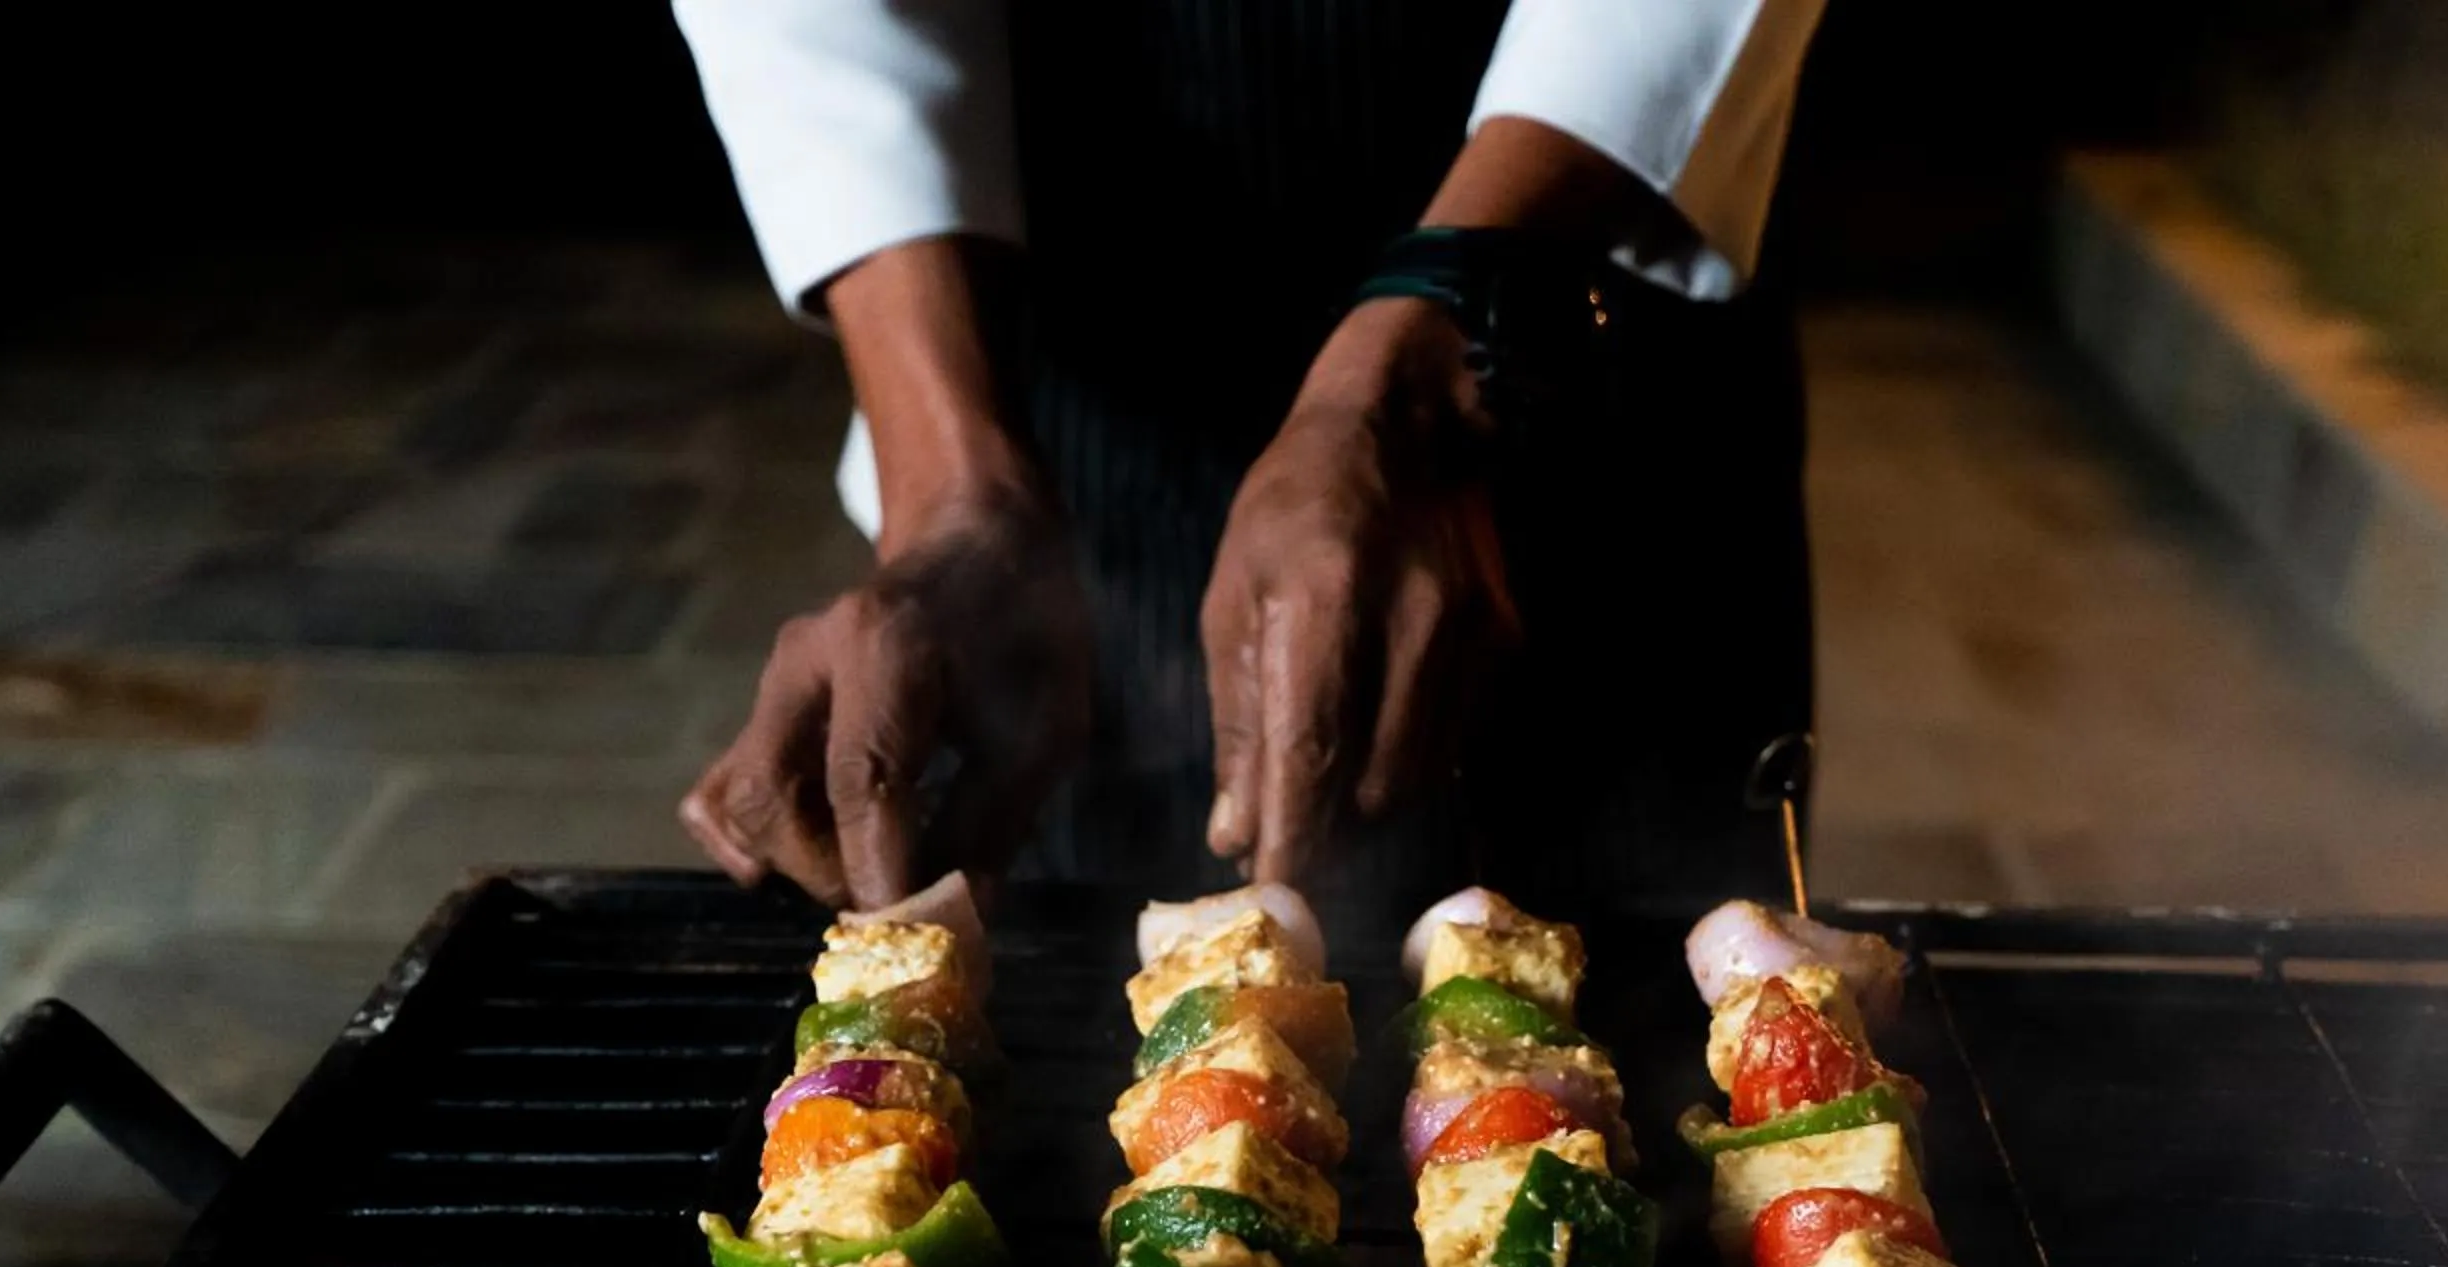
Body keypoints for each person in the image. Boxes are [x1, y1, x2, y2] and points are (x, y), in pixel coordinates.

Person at [671, 0, 1826, 914]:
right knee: (1065, 931)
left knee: (1660, 965)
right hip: (1088, 334)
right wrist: (948, 489)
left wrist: (1444, 318)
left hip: (1585, 337)